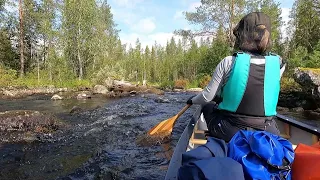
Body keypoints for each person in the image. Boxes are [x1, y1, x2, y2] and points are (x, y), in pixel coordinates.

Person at [186, 12, 286, 142]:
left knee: (207, 107)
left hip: (233, 132)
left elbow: (207, 97)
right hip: (267, 131)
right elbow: (261, 89)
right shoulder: (279, 63)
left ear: (243, 36)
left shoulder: (229, 61)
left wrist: (192, 100)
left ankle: (217, 137)